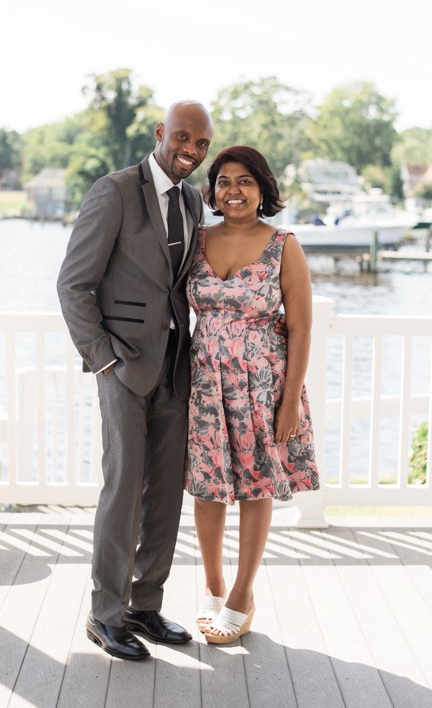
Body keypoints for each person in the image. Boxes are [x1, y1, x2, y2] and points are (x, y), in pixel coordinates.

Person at [56, 100, 213, 661]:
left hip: (176, 364)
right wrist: (103, 359)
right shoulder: (115, 190)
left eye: (201, 145)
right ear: (160, 134)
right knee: (123, 489)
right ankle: (105, 615)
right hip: (122, 365)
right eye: (183, 139)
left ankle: (145, 605)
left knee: (166, 489)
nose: (191, 152)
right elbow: (73, 285)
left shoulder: (194, 200)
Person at [185, 145, 319, 644]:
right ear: (213, 191)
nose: (233, 190)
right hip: (204, 383)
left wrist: (289, 402)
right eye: (223, 182)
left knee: (255, 485)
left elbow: (302, 330)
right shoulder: (195, 241)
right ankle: (213, 584)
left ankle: (243, 592)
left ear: (262, 188)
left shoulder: (284, 244)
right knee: (207, 485)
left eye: (244, 181)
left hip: (263, 386)